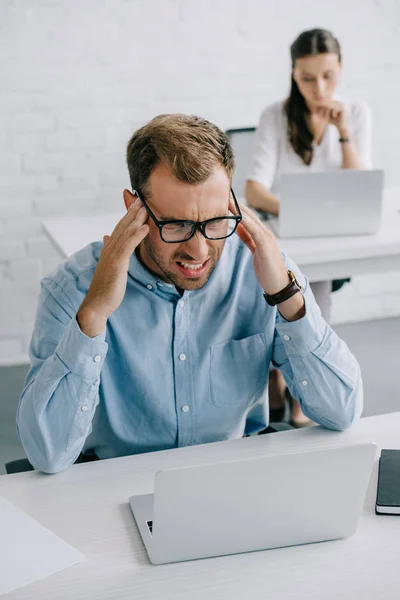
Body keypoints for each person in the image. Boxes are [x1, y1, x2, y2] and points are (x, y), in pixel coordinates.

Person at [17, 114, 362, 474]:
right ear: (133, 208)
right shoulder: (72, 288)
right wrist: (93, 316)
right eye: (176, 224)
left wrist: (287, 297)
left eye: (214, 221)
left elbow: (341, 411)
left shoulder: (262, 270)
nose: (198, 251)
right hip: (119, 483)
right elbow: (48, 454)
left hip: (235, 480)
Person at [246, 28, 371, 427]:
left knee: (314, 298)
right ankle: (282, 380)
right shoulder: (276, 116)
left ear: (341, 70)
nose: (319, 88)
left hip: (332, 236)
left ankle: (301, 387)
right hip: (287, 233)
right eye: (307, 78)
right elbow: (254, 190)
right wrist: (298, 211)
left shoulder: (356, 112)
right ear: (293, 75)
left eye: (328, 76)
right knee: (288, 287)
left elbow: (359, 185)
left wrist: (343, 132)